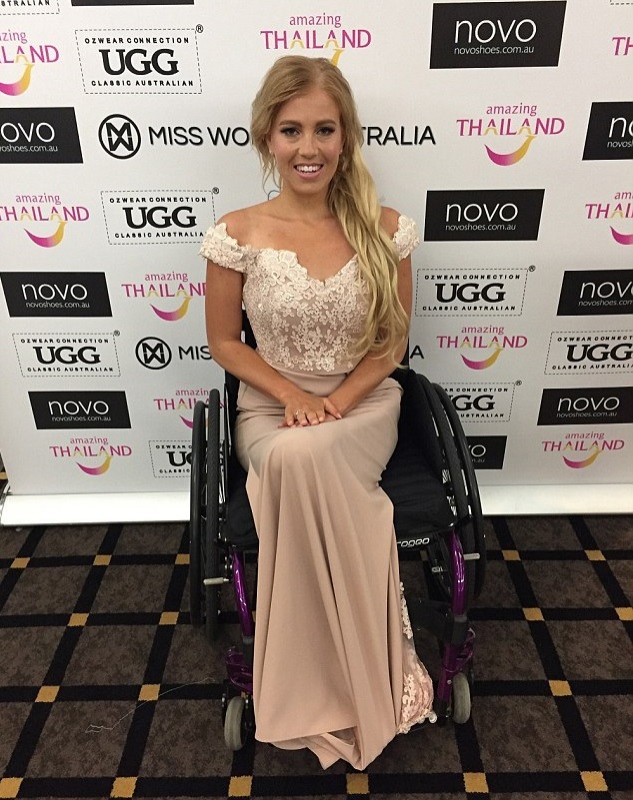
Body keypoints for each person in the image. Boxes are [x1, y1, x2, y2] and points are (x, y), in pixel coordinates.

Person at [200, 54, 434, 771]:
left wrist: (336, 401)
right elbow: (222, 343)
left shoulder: (386, 228)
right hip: (270, 407)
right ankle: (341, 669)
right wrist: (293, 396)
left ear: (346, 136)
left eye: (324, 129)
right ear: (266, 137)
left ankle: (332, 669)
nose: (309, 147)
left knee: (307, 455)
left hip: (364, 403)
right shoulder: (236, 232)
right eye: (292, 130)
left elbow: (391, 344)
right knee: (293, 453)